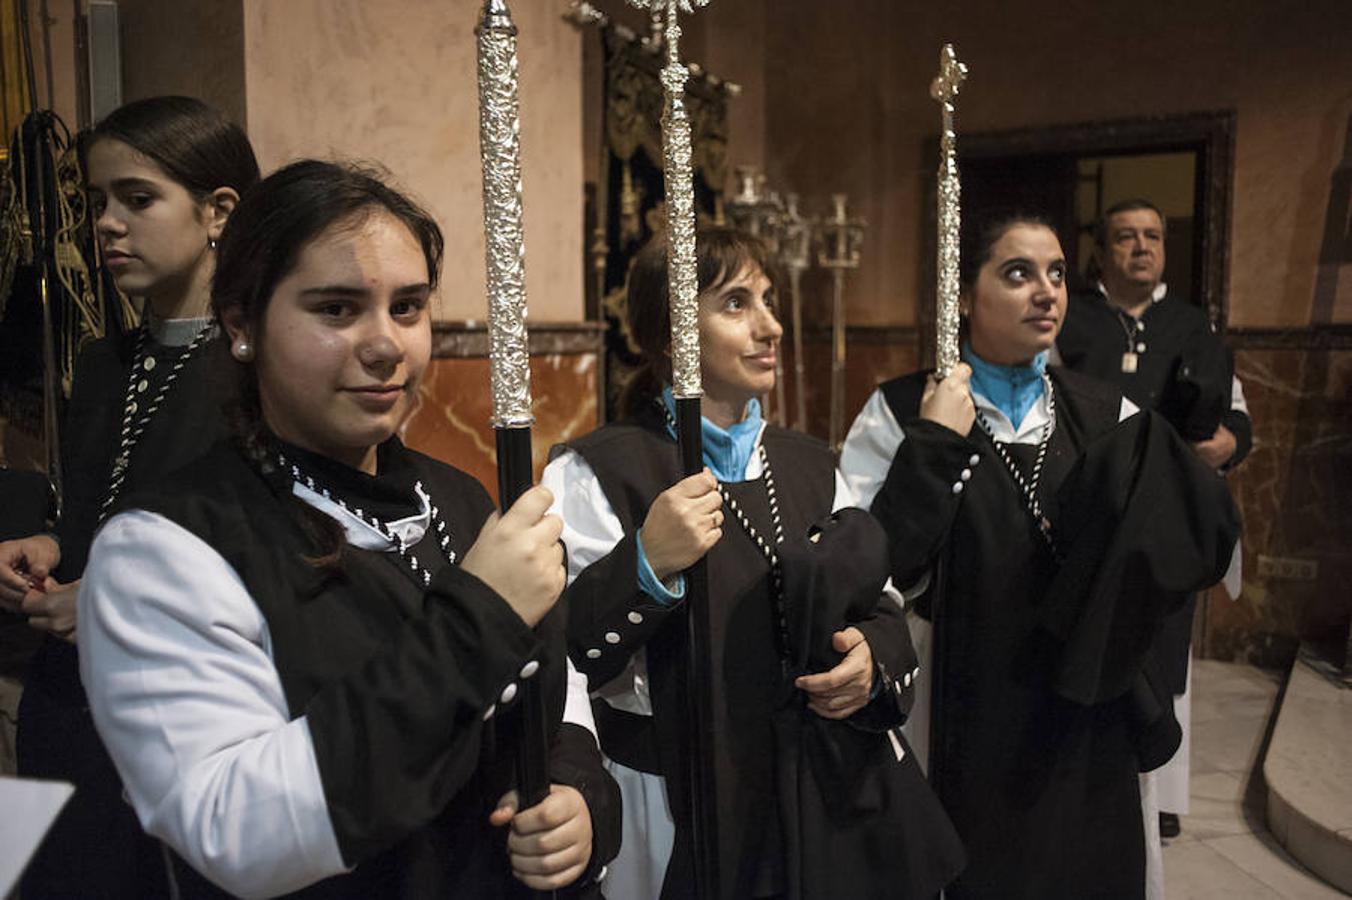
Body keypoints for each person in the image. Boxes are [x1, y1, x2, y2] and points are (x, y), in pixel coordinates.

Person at [77, 159, 620, 898]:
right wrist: (475, 621)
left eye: (408, 307)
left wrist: (576, 790)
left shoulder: (457, 498)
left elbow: (557, 690)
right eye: (336, 309)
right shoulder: (163, 551)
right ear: (241, 325)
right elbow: (236, 831)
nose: (386, 344)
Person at [543, 228, 964, 900]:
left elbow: (879, 600)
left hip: (807, 793)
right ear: (675, 333)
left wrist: (869, 661)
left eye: (768, 301)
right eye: (737, 304)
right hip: (672, 799)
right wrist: (647, 564)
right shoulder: (601, 469)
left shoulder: (809, 463)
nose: (771, 325)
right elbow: (567, 651)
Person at [840, 212, 1238, 899]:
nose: (1046, 292)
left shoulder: (1105, 411)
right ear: (964, 296)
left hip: (1088, 703)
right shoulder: (902, 410)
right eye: (1018, 273)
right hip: (965, 700)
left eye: (1056, 273)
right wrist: (933, 446)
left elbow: (1171, 549)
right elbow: (871, 568)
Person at [0, 95, 259, 898]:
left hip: (182, 717)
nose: (106, 225)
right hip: (67, 710)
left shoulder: (256, 371)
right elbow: (97, 516)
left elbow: (268, 547)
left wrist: (109, 600)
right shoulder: (106, 363)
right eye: (96, 202)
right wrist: (49, 551)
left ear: (219, 210)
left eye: (137, 199)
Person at [1055, 198, 1253, 837]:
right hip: (1089, 514)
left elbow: (1239, 414)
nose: (1142, 247)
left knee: (1161, 652)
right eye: (1126, 237)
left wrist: (1230, 444)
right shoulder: (1071, 320)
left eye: (1153, 236)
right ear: (1102, 251)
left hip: (1163, 521)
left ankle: (1159, 792)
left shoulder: (1195, 326)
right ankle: (1087, 772)